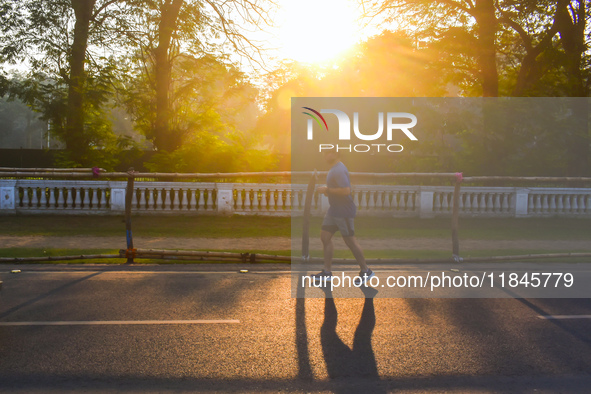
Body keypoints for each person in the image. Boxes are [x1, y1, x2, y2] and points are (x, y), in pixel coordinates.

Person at [312, 150, 374, 286]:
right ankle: (327, 273)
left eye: (329, 153)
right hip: (333, 211)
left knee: (350, 241)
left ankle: (366, 271)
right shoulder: (334, 169)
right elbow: (338, 190)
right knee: (325, 237)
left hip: (343, 212)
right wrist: (328, 191)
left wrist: (327, 190)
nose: (326, 155)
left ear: (336, 154)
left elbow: (346, 190)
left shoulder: (339, 169)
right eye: (325, 153)